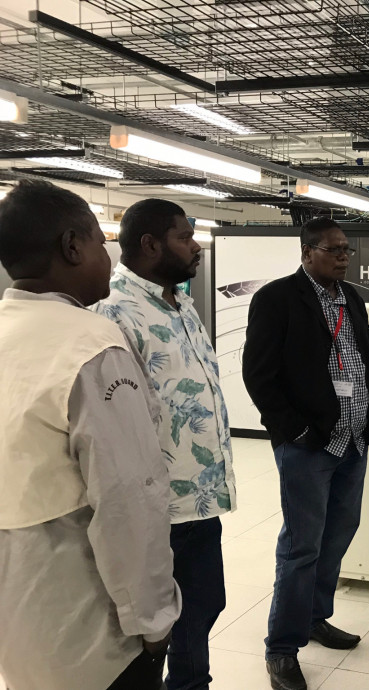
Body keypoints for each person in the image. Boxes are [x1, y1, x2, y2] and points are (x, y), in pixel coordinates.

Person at [0, 180, 181, 690]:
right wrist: (153, 620)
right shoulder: (90, 347)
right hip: (91, 635)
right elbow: (128, 501)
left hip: (20, 629)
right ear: (72, 246)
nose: (108, 256)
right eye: (101, 242)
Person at [94, 199, 236, 690]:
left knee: (202, 607)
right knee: (160, 625)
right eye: (183, 237)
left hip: (198, 497)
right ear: (150, 245)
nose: (195, 246)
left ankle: (193, 683)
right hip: (159, 507)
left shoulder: (180, 302)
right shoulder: (114, 314)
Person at [242, 217, 369, 690]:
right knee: (302, 546)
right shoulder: (277, 299)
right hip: (309, 445)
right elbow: (259, 376)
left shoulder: (353, 298)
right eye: (334, 250)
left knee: (339, 533)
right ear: (307, 253)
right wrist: (296, 431)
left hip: (353, 441)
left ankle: (314, 617)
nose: (344, 257)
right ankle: (281, 648)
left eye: (347, 250)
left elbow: (365, 365)